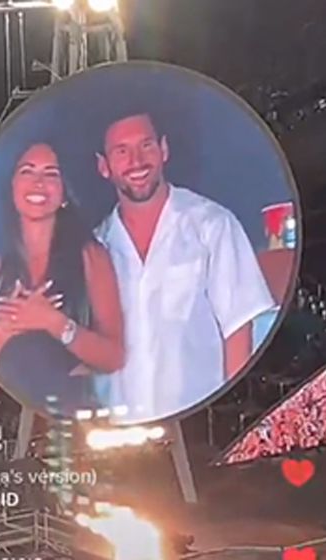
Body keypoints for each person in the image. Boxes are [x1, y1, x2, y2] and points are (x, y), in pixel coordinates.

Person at [93, 108, 274, 422]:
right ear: (103, 166)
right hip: (120, 433)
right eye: (121, 151)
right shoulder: (96, 248)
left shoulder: (212, 225)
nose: (137, 161)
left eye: (146, 145)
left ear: (164, 149)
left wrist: (231, 420)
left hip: (202, 426)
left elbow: (238, 332)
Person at [0, 142, 125, 414]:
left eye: (51, 174)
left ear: (64, 193)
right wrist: (7, 327)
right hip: (6, 419)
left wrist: (54, 322)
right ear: (11, 187)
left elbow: (113, 357)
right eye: (27, 171)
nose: (38, 183)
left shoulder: (91, 258)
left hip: (77, 418)